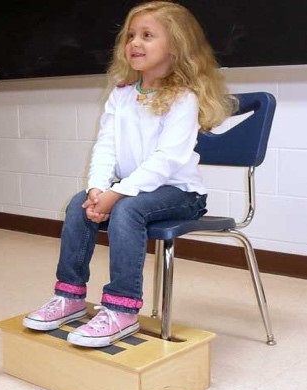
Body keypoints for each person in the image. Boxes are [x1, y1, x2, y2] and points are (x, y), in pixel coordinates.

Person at [23, 0, 235, 347]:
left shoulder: (184, 97)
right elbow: (105, 146)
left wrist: (117, 194)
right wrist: (97, 188)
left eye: (148, 35)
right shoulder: (121, 94)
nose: (135, 43)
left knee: (127, 209)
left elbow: (166, 160)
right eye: (131, 35)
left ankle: (122, 308)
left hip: (180, 193)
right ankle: (70, 296)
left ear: (176, 46)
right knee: (79, 203)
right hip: (130, 190)